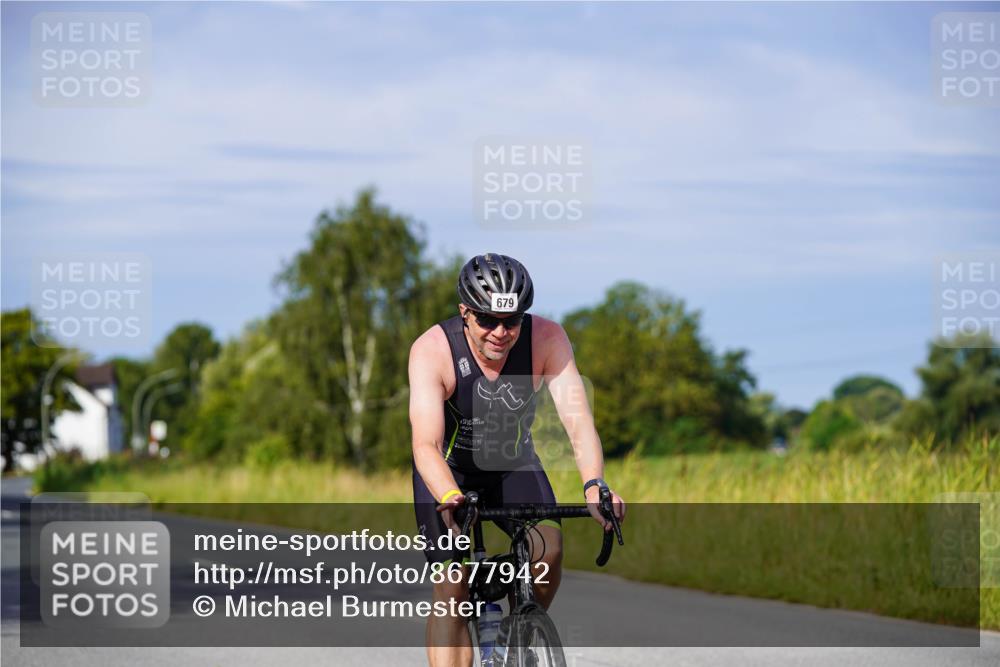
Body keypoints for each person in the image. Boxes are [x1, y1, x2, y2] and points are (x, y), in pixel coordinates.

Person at [409, 252, 626, 667]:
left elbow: (578, 422)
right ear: (464, 313)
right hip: (448, 472)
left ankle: (518, 630)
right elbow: (425, 445)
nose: (500, 332)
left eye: (512, 321)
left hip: (512, 462)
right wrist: (451, 495)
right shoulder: (433, 349)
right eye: (487, 320)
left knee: (549, 553)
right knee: (453, 589)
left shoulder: (547, 339)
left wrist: (595, 484)